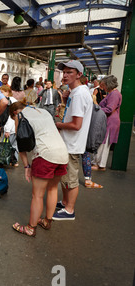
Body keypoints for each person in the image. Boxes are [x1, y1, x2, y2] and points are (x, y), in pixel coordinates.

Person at [11, 101, 69, 237]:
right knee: (53, 189)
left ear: (14, 113)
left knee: (37, 195)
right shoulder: (43, 111)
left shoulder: (20, 116)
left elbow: (21, 144)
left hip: (45, 155)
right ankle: (47, 221)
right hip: (62, 153)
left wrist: (26, 166)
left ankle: (31, 228)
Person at [54, 60, 93, 221]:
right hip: (69, 142)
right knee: (65, 177)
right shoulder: (75, 92)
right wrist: (64, 101)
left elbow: (76, 125)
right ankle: (65, 202)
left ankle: (70, 210)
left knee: (71, 178)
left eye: (70, 72)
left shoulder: (79, 95)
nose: (65, 75)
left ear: (79, 74)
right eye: (64, 72)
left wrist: (58, 125)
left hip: (72, 144)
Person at [92, 75, 122, 171]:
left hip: (110, 121)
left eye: (103, 85)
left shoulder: (114, 94)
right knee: (103, 142)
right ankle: (98, 163)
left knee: (104, 143)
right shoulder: (112, 93)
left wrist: (97, 108)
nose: (102, 87)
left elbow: (109, 109)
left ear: (108, 85)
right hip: (110, 120)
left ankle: (100, 164)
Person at [0, 85, 19, 166]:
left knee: (6, 145)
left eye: (1, 92)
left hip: (11, 128)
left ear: (7, 92)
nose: (0, 94)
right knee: (14, 145)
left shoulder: (10, 101)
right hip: (15, 128)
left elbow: (11, 117)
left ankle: (5, 160)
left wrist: (7, 130)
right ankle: (14, 161)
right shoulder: (12, 100)